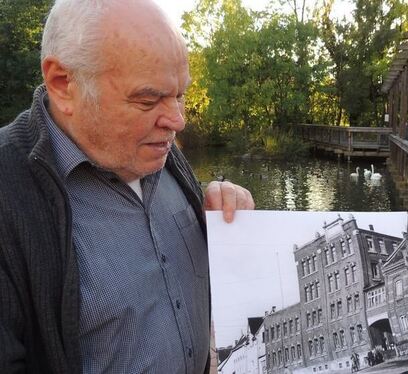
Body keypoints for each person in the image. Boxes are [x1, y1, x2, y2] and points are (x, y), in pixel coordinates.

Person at [0, 0, 254, 373]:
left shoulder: (154, 146)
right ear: (62, 83)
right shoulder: (8, 192)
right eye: (148, 99)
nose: (177, 120)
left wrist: (219, 216)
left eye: (179, 95)